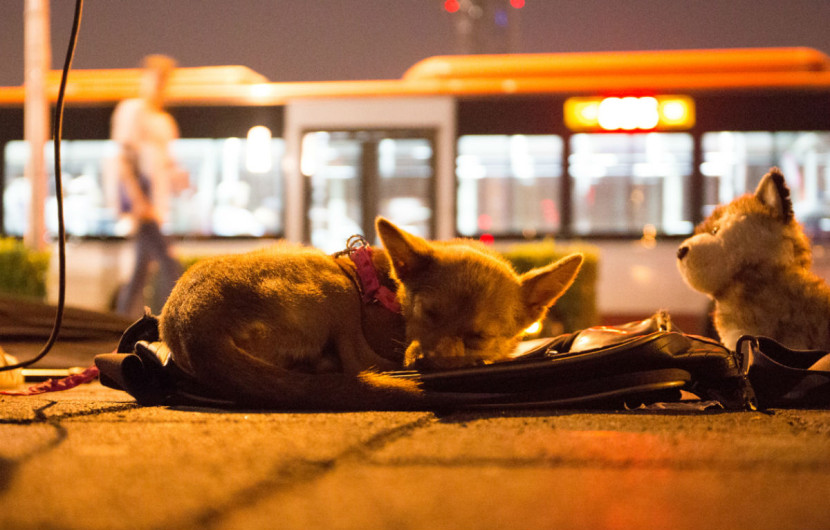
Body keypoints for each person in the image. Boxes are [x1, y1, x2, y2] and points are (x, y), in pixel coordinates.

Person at [111, 55, 186, 317]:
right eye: (156, 78)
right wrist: (137, 200)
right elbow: (123, 160)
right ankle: (169, 321)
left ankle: (123, 322)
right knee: (169, 263)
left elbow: (168, 166)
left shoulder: (165, 122)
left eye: (164, 80)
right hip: (143, 207)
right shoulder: (132, 111)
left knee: (141, 271)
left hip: (156, 206)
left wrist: (179, 180)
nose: (159, 86)